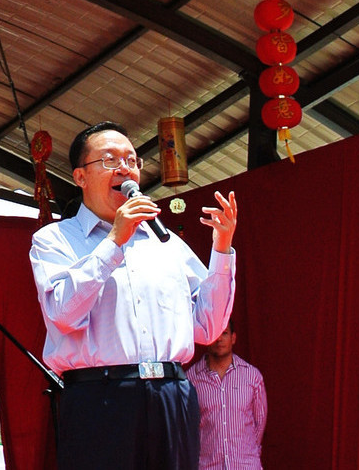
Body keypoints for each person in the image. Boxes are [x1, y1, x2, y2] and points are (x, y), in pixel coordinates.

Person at [29, 121, 238, 470]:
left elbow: (209, 327)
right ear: (80, 177)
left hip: (172, 394)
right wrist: (115, 239)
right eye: (110, 160)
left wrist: (222, 248)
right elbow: (63, 314)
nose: (124, 169)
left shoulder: (166, 243)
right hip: (101, 398)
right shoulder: (54, 240)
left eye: (131, 160)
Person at [186, 321, 267, 470]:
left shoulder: (252, 376)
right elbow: (187, 428)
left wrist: (246, 454)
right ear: (206, 338)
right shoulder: (191, 379)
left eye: (224, 333)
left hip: (246, 466)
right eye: (215, 334)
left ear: (233, 338)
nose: (219, 339)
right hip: (208, 466)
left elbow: (259, 423)